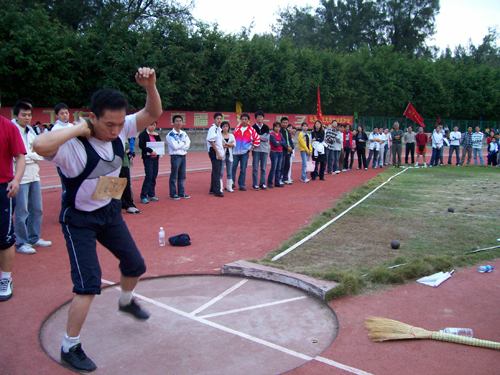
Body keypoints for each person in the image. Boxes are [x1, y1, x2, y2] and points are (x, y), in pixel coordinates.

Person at [33, 67, 162, 372]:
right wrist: (77, 129)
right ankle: (70, 346)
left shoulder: (122, 129)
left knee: (135, 265)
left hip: (109, 212)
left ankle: (126, 301)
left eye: (120, 124)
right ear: (92, 118)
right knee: (88, 285)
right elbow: (39, 146)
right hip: (79, 220)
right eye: (109, 124)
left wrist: (151, 86)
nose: (116, 130)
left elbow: (152, 112)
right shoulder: (72, 148)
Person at [12, 102, 51, 254]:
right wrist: (31, 155)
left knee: (37, 209)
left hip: (34, 175)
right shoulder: (11, 130)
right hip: (19, 177)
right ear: (16, 116)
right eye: (23, 115)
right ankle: (21, 242)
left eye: (29, 115)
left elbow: (40, 152)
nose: (27, 118)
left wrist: (29, 155)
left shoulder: (31, 131)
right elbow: (16, 156)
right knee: (22, 212)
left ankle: (34, 238)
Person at [0, 116, 26, 301]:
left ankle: (5, 279)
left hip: (2, 188)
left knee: (4, 237)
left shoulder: (8, 127)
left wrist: (16, 179)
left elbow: (19, 156)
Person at [232, 113, 260, 191]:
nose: (244, 121)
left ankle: (241, 184)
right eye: (242, 119)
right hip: (235, 152)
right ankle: (231, 183)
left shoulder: (252, 130)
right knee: (233, 168)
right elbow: (232, 139)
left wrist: (252, 147)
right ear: (240, 120)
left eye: (245, 119)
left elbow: (257, 139)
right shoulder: (236, 129)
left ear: (248, 120)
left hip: (245, 153)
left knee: (243, 169)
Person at [52, 102, 73, 201]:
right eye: (62, 113)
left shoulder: (72, 126)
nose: (65, 115)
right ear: (57, 115)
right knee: (66, 188)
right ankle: (66, 209)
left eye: (66, 113)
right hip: (63, 164)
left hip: (74, 162)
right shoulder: (55, 130)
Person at [166, 115, 191, 200]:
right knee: (174, 176)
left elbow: (188, 144)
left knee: (182, 175)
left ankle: (181, 192)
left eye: (180, 121)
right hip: (175, 156)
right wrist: (183, 144)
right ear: (173, 123)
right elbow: (175, 147)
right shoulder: (170, 135)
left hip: (183, 155)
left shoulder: (184, 133)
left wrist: (182, 144)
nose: (178, 123)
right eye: (176, 121)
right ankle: (173, 194)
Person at [139, 121, 161, 203]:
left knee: (154, 176)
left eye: (154, 125)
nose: (153, 127)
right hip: (148, 158)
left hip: (155, 158)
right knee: (148, 176)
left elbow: (160, 144)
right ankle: (143, 196)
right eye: (151, 125)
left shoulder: (155, 134)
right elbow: (141, 145)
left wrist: (157, 136)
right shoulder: (143, 135)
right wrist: (150, 150)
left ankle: (151, 194)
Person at [120, 139, 141, 214]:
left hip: (124, 163)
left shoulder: (126, 136)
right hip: (114, 165)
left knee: (126, 185)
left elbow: (129, 148)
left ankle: (129, 205)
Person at [207, 113, 224, 197]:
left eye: (220, 118)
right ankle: (217, 190)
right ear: (214, 119)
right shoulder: (212, 129)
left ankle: (212, 189)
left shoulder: (218, 129)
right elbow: (211, 141)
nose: (219, 120)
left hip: (218, 152)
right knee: (217, 171)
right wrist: (217, 153)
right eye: (217, 118)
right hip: (214, 152)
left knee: (215, 171)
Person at [251, 111, 269, 190]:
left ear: (263, 118)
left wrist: (257, 137)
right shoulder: (253, 127)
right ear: (256, 118)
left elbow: (267, 138)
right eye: (258, 117)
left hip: (264, 150)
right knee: (255, 167)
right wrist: (261, 137)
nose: (259, 118)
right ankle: (255, 184)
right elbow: (252, 138)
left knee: (263, 168)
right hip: (256, 150)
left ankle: (262, 183)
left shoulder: (266, 127)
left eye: (261, 117)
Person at [268, 122, 287, 188]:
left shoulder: (280, 134)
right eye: (276, 127)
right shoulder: (272, 134)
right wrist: (280, 143)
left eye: (279, 127)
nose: (277, 128)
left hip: (280, 152)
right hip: (274, 152)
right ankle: (270, 182)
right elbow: (275, 144)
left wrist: (279, 142)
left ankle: (277, 182)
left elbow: (284, 142)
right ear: (273, 127)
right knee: (274, 168)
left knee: (279, 168)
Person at [220, 121, 235, 192]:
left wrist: (226, 144)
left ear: (228, 127)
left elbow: (234, 144)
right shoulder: (219, 136)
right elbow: (220, 145)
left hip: (230, 156)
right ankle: (220, 187)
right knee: (221, 172)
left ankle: (229, 186)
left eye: (226, 126)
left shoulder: (231, 135)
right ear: (221, 128)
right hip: (222, 155)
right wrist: (229, 144)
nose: (225, 128)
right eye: (223, 126)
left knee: (229, 172)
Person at [279, 117, 293, 185]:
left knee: (287, 165)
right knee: (282, 165)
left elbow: (290, 140)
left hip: (289, 151)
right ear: (281, 123)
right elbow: (281, 141)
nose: (285, 124)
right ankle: (279, 178)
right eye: (283, 123)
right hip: (283, 151)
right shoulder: (280, 131)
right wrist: (287, 147)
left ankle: (285, 178)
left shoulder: (287, 131)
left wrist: (292, 147)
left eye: (286, 123)